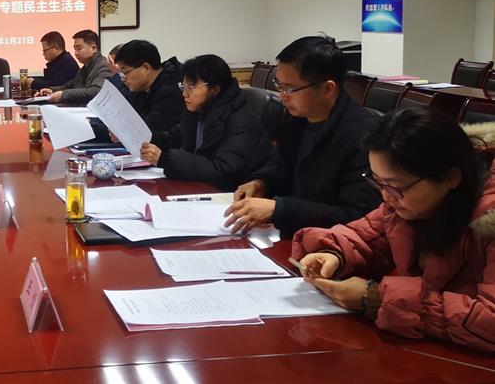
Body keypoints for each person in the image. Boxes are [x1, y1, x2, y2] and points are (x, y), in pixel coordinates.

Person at [293, 108, 495, 353]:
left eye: (396, 187)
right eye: (377, 181)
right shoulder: (403, 204)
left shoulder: (490, 220)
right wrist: (334, 254)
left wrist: (378, 299)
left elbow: (490, 321)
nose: (386, 196)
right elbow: (367, 236)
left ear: (450, 177)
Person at [223, 35, 381, 239]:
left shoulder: (364, 136)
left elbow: (358, 215)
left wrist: (280, 209)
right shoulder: (295, 119)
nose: (282, 96)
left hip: (328, 246)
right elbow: (279, 164)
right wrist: (261, 182)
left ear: (328, 88)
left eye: (290, 88)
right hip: (288, 235)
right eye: (279, 85)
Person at [139, 54, 275, 191]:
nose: (184, 94)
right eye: (183, 86)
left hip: (233, 195)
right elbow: (173, 137)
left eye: (191, 87)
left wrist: (165, 159)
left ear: (214, 89)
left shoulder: (240, 121)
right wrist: (145, 138)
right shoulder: (199, 112)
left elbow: (223, 171)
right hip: (201, 188)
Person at [112, 40, 182, 140]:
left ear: (145, 68)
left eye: (125, 72)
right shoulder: (143, 87)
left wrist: (123, 132)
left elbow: (148, 132)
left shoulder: (170, 91)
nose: (122, 79)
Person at [35, 29, 111, 105]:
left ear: (93, 48)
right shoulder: (86, 67)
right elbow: (69, 85)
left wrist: (63, 94)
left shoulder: (103, 65)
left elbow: (95, 91)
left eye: (79, 48)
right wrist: (51, 90)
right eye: (75, 49)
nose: (76, 53)